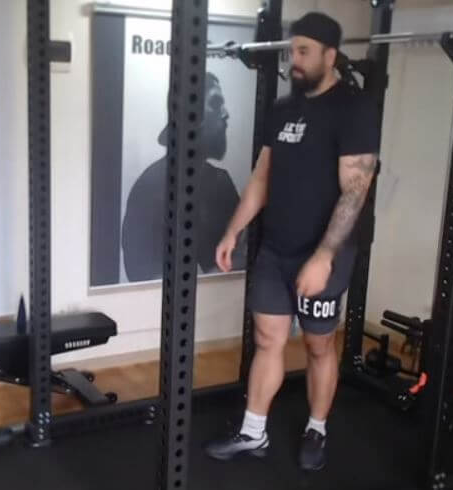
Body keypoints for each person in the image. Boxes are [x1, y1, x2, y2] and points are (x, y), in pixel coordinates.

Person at [204, 12, 380, 471]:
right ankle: (253, 431)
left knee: (319, 346)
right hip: (276, 248)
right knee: (268, 338)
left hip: (324, 253)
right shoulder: (283, 109)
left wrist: (323, 257)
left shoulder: (355, 108)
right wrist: (233, 230)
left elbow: (355, 191)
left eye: (304, 51)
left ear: (330, 55)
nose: (294, 60)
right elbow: (262, 176)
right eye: (291, 51)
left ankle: (317, 428)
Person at [121, 72, 245, 282]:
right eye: (215, 103)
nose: (226, 114)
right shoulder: (150, 187)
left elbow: (241, 254)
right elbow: (143, 275)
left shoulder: (221, 183)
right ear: (192, 116)